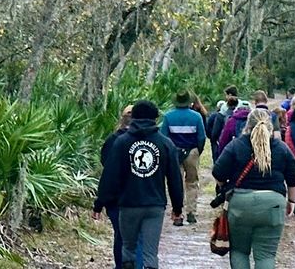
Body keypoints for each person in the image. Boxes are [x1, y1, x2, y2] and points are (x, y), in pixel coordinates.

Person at [94, 100, 184, 269]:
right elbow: (175, 178)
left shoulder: (121, 142)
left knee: (128, 248)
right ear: (155, 118)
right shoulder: (165, 143)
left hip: (128, 205)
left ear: (133, 117)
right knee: (150, 253)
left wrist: (99, 203)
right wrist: (177, 207)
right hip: (155, 206)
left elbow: (110, 175)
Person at [212, 108, 295, 269]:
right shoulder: (281, 148)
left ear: (247, 125)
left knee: (239, 251)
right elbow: (294, 179)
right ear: (270, 126)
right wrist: (292, 201)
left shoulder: (236, 145)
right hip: (273, 205)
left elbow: (218, 172)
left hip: (240, 204)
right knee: (266, 255)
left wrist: (225, 187)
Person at [100, 105, 144, 269]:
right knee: (138, 237)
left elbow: (106, 166)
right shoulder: (145, 141)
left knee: (120, 236)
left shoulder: (112, 140)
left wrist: (101, 200)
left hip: (116, 198)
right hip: (137, 197)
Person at [160, 91, 207, 226]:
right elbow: (202, 137)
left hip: (174, 152)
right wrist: (197, 151)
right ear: (188, 102)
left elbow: (164, 136)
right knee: (192, 182)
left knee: (176, 183)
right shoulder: (196, 116)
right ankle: (191, 212)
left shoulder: (168, 116)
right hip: (191, 151)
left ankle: (177, 213)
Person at [208, 96, 236, 161]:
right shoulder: (236, 116)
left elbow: (212, 130)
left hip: (220, 142)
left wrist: (211, 137)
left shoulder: (218, 116)